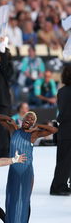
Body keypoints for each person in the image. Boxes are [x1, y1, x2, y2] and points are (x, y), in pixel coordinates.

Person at [0, 112, 57, 223]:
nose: (28, 120)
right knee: (11, 199)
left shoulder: (33, 135)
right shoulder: (14, 129)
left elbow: (54, 129)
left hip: (27, 172)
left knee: (25, 200)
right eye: (27, 118)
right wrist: (12, 120)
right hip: (14, 170)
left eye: (32, 119)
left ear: (33, 123)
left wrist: (36, 126)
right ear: (22, 119)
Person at [50, 65, 71, 196]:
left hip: (64, 129)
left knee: (63, 160)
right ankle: (57, 187)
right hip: (68, 130)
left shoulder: (62, 91)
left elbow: (61, 113)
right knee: (65, 161)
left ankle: (61, 185)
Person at [0, 36, 14, 159]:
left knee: (4, 130)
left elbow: (5, 59)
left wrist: (3, 44)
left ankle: (5, 154)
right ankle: (1, 154)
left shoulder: (7, 67)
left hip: (3, 103)